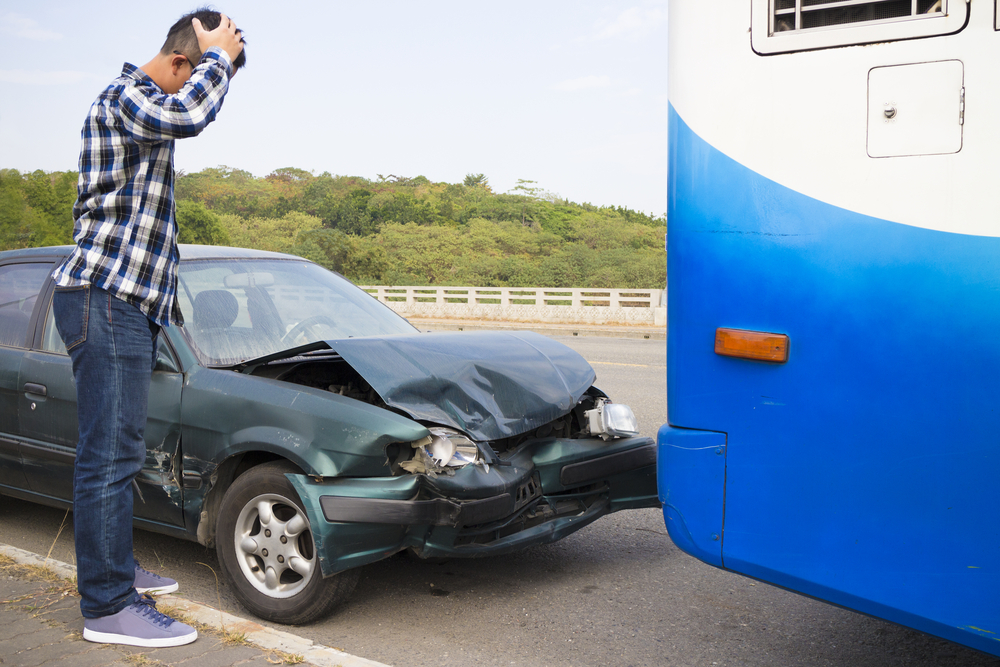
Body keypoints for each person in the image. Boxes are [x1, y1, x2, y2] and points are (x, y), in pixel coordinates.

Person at [49, 8, 245, 648]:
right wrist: (218, 55)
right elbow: (187, 114)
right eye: (204, 71)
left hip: (124, 303)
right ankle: (107, 606)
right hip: (105, 299)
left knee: (120, 451)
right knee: (108, 456)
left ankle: (116, 568)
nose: (207, 86)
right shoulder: (127, 95)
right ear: (184, 63)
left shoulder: (142, 109)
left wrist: (218, 61)